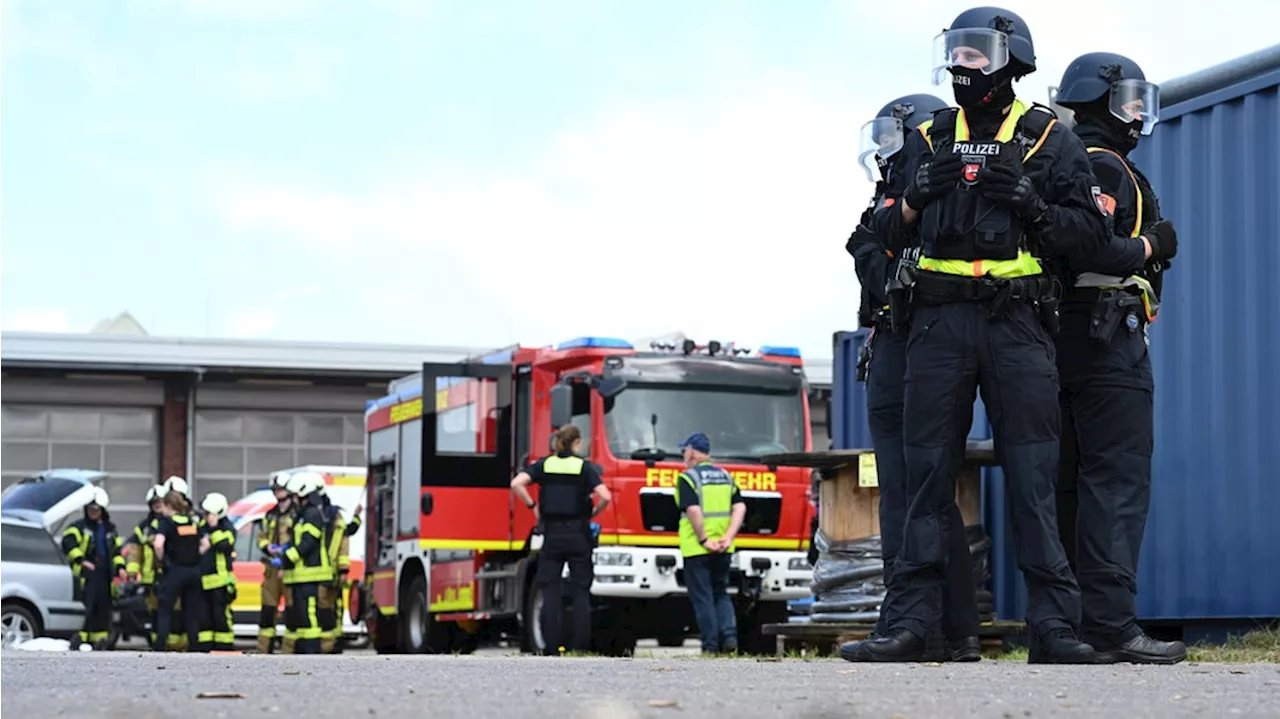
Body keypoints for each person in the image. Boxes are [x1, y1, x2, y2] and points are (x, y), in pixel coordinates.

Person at [846, 7, 1113, 664]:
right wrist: (911, 201)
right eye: (956, 54)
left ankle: (1053, 628)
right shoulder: (929, 137)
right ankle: (910, 624)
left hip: (1018, 323)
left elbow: (1091, 239)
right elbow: (873, 239)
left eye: (975, 54)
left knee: (1033, 476)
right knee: (925, 475)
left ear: (1010, 61)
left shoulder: (1052, 139)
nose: (962, 66)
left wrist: (1032, 204)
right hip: (937, 324)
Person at [1053, 52, 1184, 664]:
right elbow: (1097, 250)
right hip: (1107, 340)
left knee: (1074, 485)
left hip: (1064, 340)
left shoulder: (1067, 160)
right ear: (1098, 99)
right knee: (1117, 481)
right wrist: (1153, 243)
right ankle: (1111, 624)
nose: (1138, 114)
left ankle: (1075, 623)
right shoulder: (1101, 166)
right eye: (1130, 100)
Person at [843, 92, 981, 664]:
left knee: (905, 492)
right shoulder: (894, 198)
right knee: (929, 496)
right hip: (897, 343)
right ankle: (954, 628)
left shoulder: (929, 200)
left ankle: (908, 625)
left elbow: (890, 271)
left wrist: (866, 249)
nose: (883, 151)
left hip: (909, 346)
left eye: (892, 139)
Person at [510, 424, 612, 656]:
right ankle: (579, 646)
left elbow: (516, 483)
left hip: (552, 536)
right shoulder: (583, 467)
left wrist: (532, 506)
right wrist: (592, 514)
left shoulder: (545, 464)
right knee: (580, 592)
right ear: (576, 443)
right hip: (579, 536)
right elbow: (605, 496)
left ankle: (551, 647)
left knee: (550, 591)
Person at [674, 432, 747, 655]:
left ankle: (710, 645)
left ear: (693, 452)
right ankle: (730, 638)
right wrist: (729, 536)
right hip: (724, 547)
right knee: (721, 593)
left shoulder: (687, 478)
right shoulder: (726, 476)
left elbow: (694, 510)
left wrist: (705, 539)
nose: (683, 455)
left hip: (698, 548)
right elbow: (740, 507)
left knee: (703, 597)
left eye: (684, 451)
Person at [272, 472, 331, 655]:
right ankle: (304, 652)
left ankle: (311, 652)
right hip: (300, 576)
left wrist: (287, 557)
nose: (294, 499)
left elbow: (308, 543)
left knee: (309, 618)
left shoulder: (312, 514)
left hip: (310, 574)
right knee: (301, 617)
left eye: (296, 495)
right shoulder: (303, 514)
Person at [60, 487, 127, 649]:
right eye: (90, 509)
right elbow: (68, 541)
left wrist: (120, 568)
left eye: (96, 509)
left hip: (106, 574)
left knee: (103, 608)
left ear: (102, 510)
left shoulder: (110, 529)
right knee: (87, 606)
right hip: (88, 574)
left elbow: (116, 551)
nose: (92, 512)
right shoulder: (79, 527)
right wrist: (81, 560)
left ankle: (101, 641)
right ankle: (81, 637)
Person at [152, 476, 211, 653]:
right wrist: (194, 556)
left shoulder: (166, 523)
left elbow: (158, 544)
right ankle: (195, 646)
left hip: (175, 571)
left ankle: (160, 645)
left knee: (165, 608)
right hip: (193, 572)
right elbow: (206, 543)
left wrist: (162, 559)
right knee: (191, 612)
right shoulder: (191, 523)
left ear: (168, 506)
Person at [255, 471, 296, 653]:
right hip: (271, 568)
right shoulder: (270, 514)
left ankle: (289, 650)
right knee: (268, 611)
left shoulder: (297, 513)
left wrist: (286, 552)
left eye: (280, 489)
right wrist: (267, 547)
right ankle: (264, 649)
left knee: (292, 610)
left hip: (290, 568)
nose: (278, 492)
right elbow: (261, 537)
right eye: (276, 489)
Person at [123, 484, 166, 647]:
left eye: (160, 501)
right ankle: (157, 645)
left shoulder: (170, 522)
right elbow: (135, 551)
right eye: (154, 502)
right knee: (154, 613)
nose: (157, 505)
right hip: (150, 578)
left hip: (169, 575)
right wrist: (132, 571)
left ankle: (171, 645)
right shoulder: (144, 527)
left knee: (171, 612)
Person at [200, 492, 238, 651]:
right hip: (202, 582)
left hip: (221, 582)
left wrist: (213, 529)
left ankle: (224, 649)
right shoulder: (202, 527)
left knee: (221, 618)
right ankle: (205, 650)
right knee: (204, 620)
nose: (207, 516)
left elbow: (224, 544)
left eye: (210, 513)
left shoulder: (228, 528)